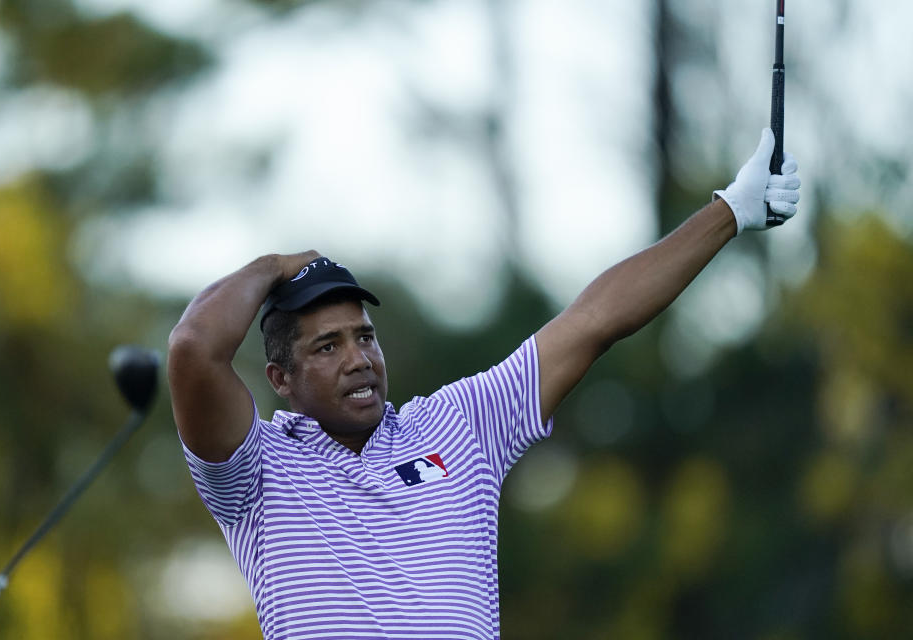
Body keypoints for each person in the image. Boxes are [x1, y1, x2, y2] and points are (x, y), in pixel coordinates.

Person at [168, 128, 800, 639]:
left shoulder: (459, 423)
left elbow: (592, 323)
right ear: (280, 377)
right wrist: (276, 266)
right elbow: (195, 350)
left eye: (364, 336)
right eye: (327, 346)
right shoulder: (257, 473)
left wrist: (730, 211)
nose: (359, 358)